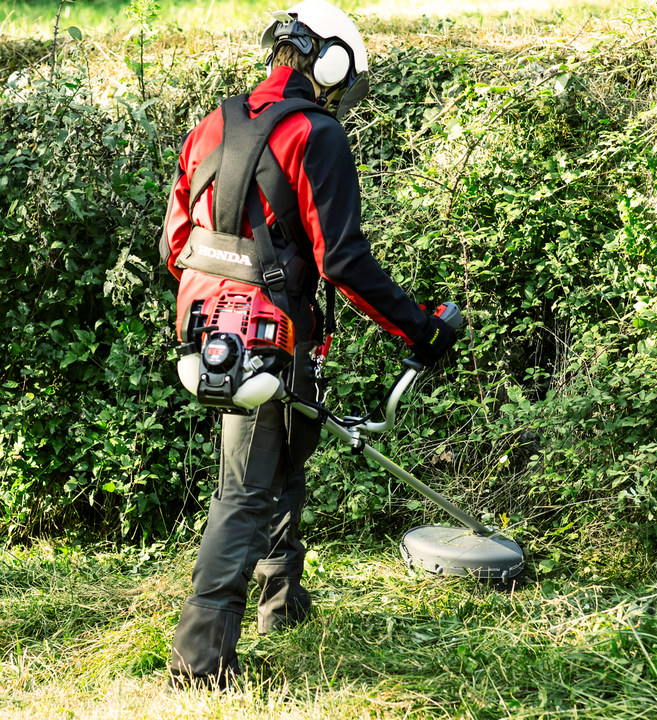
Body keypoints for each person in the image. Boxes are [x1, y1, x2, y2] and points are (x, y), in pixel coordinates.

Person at [159, 0, 456, 690]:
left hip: (212, 332)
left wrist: (225, 290)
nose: (338, 94)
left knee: (286, 457)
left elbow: (175, 245)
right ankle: (199, 663)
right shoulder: (313, 134)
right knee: (244, 488)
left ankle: (281, 604)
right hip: (268, 334)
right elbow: (344, 263)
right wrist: (421, 329)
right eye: (340, 79)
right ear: (327, 63)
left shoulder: (212, 124)